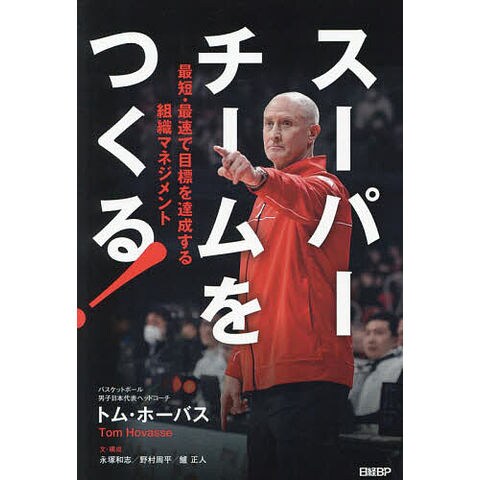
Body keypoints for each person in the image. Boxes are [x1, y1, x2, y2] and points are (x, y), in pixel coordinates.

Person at [214, 92, 353, 480]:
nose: (274, 133)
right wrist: (237, 367)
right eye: (268, 123)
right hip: (267, 377)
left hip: (309, 376)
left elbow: (298, 194)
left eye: (286, 124)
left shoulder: (326, 188)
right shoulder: (263, 201)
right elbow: (254, 293)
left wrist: (256, 177)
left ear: (313, 133)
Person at [348, 311, 403, 424]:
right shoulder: (359, 367)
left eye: (379, 333)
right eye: (367, 333)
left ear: (395, 339)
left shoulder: (400, 367)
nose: (371, 340)